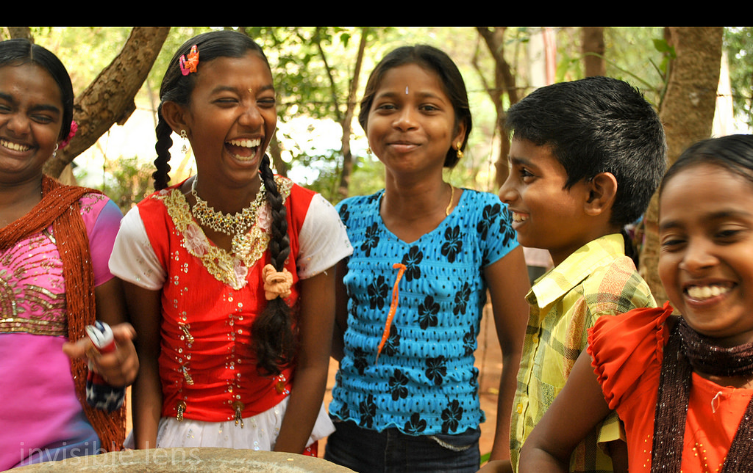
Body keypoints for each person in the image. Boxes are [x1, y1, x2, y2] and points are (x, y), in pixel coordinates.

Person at [108, 30, 352, 456]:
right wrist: (148, 462)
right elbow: (147, 366)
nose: (254, 117)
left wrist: (281, 465)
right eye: (227, 101)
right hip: (177, 446)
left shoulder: (310, 217)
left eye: (265, 100)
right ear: (178, 116)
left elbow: (314, 366)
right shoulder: (145, 229)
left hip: (284, 440)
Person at [324, 45, 530, 473]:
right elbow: (334, 331)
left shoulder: (484, 217)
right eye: (388, 106)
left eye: (428, 107)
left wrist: (506, 452)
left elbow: (518, 346)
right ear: (367, 125)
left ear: (458, 131)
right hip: (351, 437)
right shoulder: (346, 219)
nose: (405, 120)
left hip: (446, 446)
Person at [519, 134, 753, 473]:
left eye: (727, 233)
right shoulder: (631, 349)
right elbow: (544, 447)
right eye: (675, 241)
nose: (695, 259)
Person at [488, 76, 667, 473]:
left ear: (595, 195)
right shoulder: (572, 290)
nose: (505, 191)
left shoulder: (609, 298)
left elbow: (624, 458)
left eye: (526, 174)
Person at [0, 38, 138, 470]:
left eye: (42, 116)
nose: (20, 126)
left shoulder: (91, 218)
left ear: (63, 135)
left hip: (58, 458)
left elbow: (112, 348)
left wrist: (115, 367)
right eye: (4, 106)